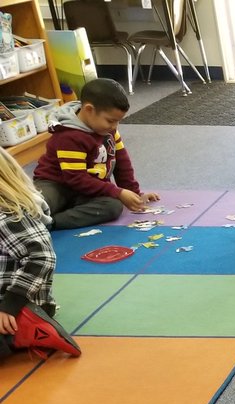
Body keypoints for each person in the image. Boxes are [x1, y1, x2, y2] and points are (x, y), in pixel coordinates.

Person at [32, 78, 158, 231]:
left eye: (118, 121)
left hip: (88, 188)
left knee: (113, 206)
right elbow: (76, 178)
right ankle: (41, 219)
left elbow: (122, 163)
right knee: (34, 206)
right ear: (89, 110)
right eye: (110, 121)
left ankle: (52, 223)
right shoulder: (69, 136)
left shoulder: (108, 130)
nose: (114, 126)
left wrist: (134, 194)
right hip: (56, 185)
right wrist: (118, 192)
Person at [0, 150, 79, 361]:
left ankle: (28, 330)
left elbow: (42, 258)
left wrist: (9, 306)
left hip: (15, 305)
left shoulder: (8, 217)